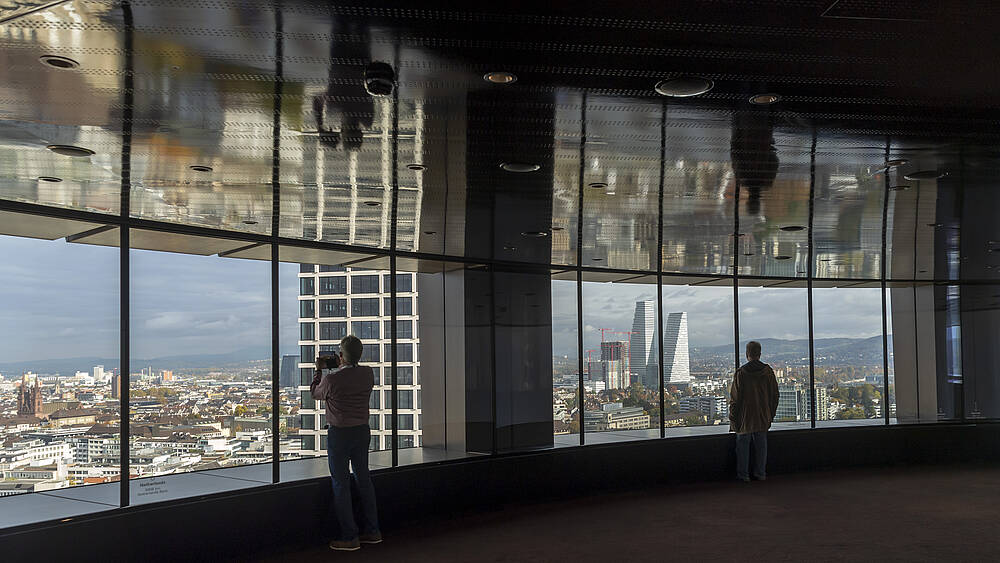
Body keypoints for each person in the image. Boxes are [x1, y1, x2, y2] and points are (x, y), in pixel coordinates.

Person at [310, 335, 382, 551]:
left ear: (340, 356)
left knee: (340, 484)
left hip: (339, 434)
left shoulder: (332, 380)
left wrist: (319, 371)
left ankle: (350, 537)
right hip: (362, 431)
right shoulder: (368, 372)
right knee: (364, 480)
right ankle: (373, 530)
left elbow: (315, 393)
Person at [729, 340, 779, 483]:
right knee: (761, 444)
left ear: (747, 354)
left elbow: (735, 399)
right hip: (763, 415)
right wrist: (771, 414)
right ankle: (760, 473)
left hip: (745, 417)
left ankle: (743, 475)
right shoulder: (768, 372)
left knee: (743, 445)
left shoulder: (741, 373)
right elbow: (775, 395)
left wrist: (733, 418)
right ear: (760, 353)